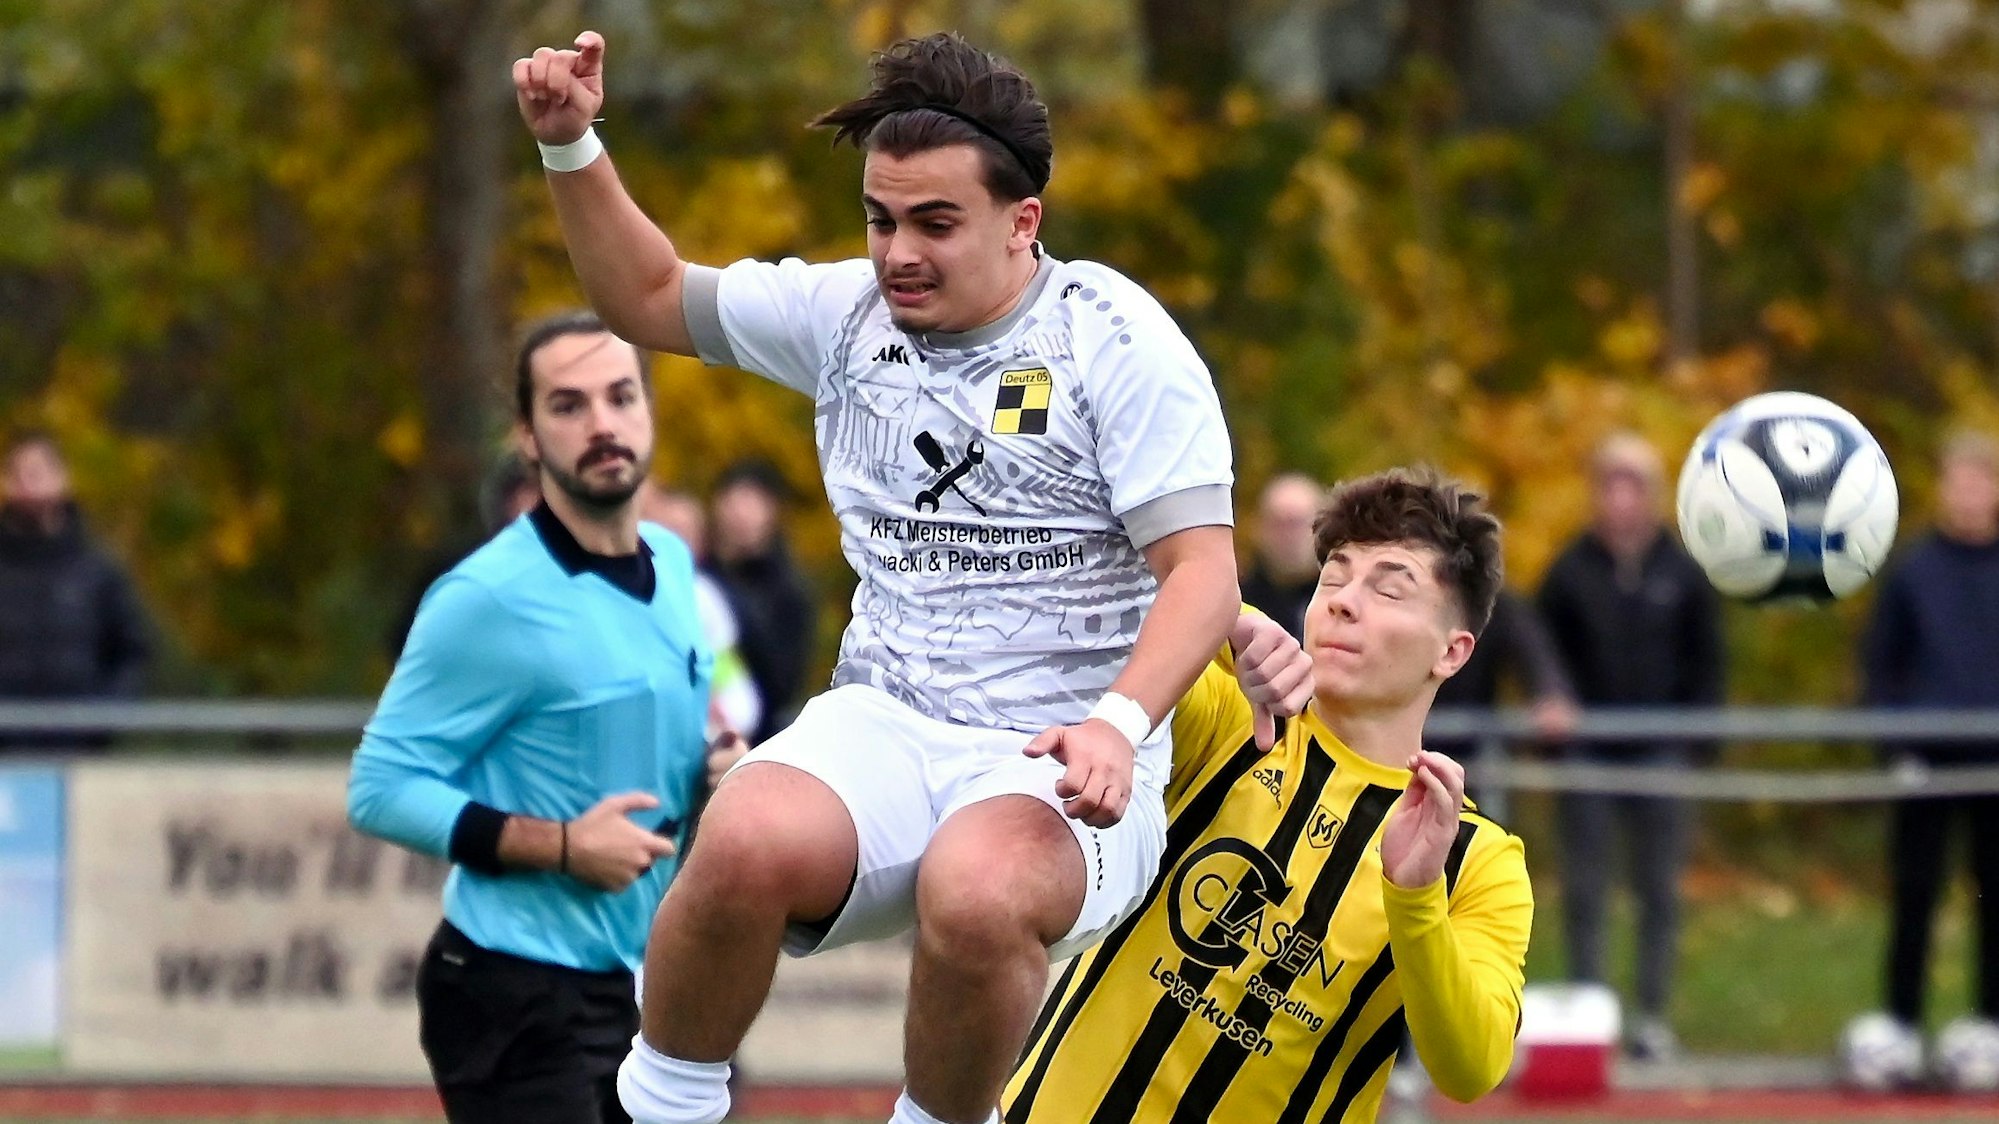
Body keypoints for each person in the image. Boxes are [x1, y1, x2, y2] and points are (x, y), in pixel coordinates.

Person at [514, 30, 1249, 1124]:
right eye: (880, 217)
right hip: (889, 722)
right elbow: (650, 293)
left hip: (1062, 752)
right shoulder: (845, 316)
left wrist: (1113, 720)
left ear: (1022, 221)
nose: (897, 250)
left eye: (934, 222)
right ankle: (659, 1105)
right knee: (745, 831)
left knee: (976, 888)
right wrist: (572, 145)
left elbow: (1204, 572)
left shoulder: (1114, 340)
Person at [1006, 468, 1533, 1122]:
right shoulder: (1228, 719)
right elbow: (1085, 587)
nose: (1342, 601)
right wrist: (1230, 618)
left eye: (1389, 590)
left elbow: (1471, 1068)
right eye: (1332, 578)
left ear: (1451, 653)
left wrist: (1416, 899)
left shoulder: (1475, 858)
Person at [348, 312, 743, 1123]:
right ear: (527, 437)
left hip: (648, 984)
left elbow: (643, 726)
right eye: (567, 406)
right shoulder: (485, 598)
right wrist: (563, 847)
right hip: (514, 991)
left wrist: (716, 768)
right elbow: (380, 788)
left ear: (648, 413)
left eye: (619, 397)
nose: (600, 423)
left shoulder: (672, 563)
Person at [1536, 431, 1724, 1061]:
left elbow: (1708, 663)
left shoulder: (1683, 570)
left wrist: (1699, 740)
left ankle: (1651, 1017)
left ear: (1652, 494)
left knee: (1658, 891)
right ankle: (1592, 1014)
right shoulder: (1568, 570)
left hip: (1662, 753)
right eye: (1609, 484)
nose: (1621, 499)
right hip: (1588, 754)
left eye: (1633, 485)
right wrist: (1556, 713)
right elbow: (1545, 655)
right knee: (1586, 888)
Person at [1859, 429, 1999, 1056]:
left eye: (1980, 482)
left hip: (1994, 766)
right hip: (1925, 763)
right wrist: (1897, 748)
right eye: (1958, 482)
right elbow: (1881, 667)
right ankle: (1902, 1023)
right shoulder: (1914, 571)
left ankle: (1991, 1022)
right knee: (1915, 894)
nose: (1968, 495)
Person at [0, 432, 151, 751]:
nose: (30, 483)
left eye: (39, 472)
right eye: (20, 474)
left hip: (78, 757)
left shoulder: (97, 573)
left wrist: (104, 718)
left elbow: (132, 653)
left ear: (63, 479)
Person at [639, 481, 765, 740]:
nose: (678, 542)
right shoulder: (631, 590)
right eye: (671, 530)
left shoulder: (705, 596)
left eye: (687, 533)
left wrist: (724, 712)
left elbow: (726, 669)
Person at [707, 460, 817, 741]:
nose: (742, 515)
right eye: (735, 501)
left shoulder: (789, 593)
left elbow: (782, 685)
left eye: (754, 504)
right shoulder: (699, 576)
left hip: (760, 739)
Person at [1239, 472, 1326, 641]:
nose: (1287, 535)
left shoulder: (1340, 603)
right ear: (1258, 529)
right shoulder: (1237, 605)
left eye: (1296, 523)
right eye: (1277, 523)